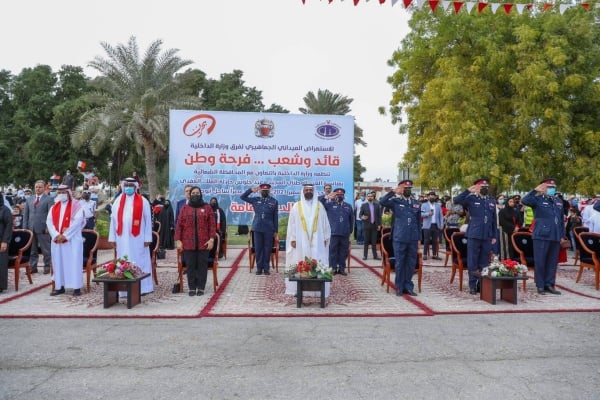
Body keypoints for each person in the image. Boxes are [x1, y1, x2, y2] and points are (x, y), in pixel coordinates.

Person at [108, 177, 153, 295]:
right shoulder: (118, 201)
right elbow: (112, 220)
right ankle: (124, 289)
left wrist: (148, 238)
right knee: (123, 261)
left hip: (138, 238)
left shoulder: (143, 201)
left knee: (140, 261)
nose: (128, 188)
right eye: (126, 185)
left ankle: (143, 288)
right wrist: (112, 238)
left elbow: (148, 220)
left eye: (131, 185)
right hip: (121, 238)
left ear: (136, 187)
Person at [521, 178, 566, 295]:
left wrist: (562, 235)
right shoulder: (537, 199)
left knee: (552, 262)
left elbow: (561, 220)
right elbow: (524, 200)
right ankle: (540, 285)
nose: (551, 189)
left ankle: (549, 284)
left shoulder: (558, 201)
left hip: (555, 235)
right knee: (540, 261)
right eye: (549, 187)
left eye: (553, 187)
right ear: (543, 188)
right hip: (541, 235)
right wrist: (535, 190)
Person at [454, 178, 497, 295]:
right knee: (473, 261)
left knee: (484, 262)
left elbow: (494, 220)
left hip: (487, 235)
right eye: (482, 187)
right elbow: (456, 200)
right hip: (474, 233)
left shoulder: (491, 200)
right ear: (477, 188)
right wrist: (468, 191)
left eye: (486, 187)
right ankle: (472, 285)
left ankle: (481, 284)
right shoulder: (471, 199)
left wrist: (494, 235)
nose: (485, 189)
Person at [285, 184, 331, 295]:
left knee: (318, 260)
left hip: (317, 241)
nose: (308, 191)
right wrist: (293, 238)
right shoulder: (297, 206)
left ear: (314, 192)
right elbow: (292, 224)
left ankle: (318, 291)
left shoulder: (320, 206)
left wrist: (325, 237)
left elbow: (325, 223)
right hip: (301, 241)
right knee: (299, 261)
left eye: (311, 190)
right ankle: (297, 289)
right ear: (303, 191)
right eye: (306, 190)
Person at [379, 180, 421, 296]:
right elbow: (382, 202)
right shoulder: (395, 201)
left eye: (409, 188)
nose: (407, 190)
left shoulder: (416, 203)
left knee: (410, 263)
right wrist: (393, 192)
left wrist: (418, 239)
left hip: (412, 237)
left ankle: (408, 286)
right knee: (400, 262)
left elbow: (418, 222)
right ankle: (399, 286)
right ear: (401, 190)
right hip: (400, 237)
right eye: (405, 188)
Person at [175, 187, 216, 296]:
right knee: (190, 265)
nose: (195, 195)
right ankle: (192, 288)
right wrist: (178, 240)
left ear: (201, 194)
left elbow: (212, 225)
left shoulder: (207, 208)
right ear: (190, 195)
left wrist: (211, 239)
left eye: (197, 193)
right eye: (193, 193)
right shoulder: (185, 208)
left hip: (204, 243)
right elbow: (179, 225)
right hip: (188, 243)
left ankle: (201, 288)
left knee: (202, 266)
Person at [46, 185, 85, 296]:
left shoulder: (77, 206)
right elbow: (49, 222)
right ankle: (59, 287)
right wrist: (56, 235)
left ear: (68, 193)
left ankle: (76, 287)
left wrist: (66, 235)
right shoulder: (54, 207)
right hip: (57, 241)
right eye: (59, 192)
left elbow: (77, 222)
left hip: (72, 240)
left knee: (74, 262)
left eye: (64, 192)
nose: (61, 194)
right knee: (58, 263)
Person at [241, 183, 279, 275]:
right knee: (258, 248)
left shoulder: (274, 201)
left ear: (269, 191)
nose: (264, 192)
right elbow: (242, 197)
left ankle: (266, 268)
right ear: (260, 191)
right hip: (257, 228)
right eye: (263, 190)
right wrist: (251, 190)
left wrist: (276, 231)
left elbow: (275, 217)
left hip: (269, 229)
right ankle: (259, 268)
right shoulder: (255, 200)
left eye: (266, 191)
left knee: (267, 249)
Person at [320, 188, 354, 275]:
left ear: (344, 196)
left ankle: (342, 268)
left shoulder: (348, 206)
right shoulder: (329, 205)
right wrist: (326, 197)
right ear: (335, 196)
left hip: (344, 233)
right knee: (332, 252)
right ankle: (333, 269)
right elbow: (319, 203)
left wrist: (350, 231)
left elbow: (351, 220)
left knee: (343, 252)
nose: (340, 196)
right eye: (338, 195)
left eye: (341, 195)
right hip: (333, 232)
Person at [23, 180, 53, 274]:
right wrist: (25, 228)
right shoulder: (29, 199)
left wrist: (49, 227)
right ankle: (33, 267)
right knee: (32, 250)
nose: (38, 189)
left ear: (44, 188)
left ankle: (47, 267)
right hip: (31, 228)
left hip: (43, 228)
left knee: (46, 249)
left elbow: (51, 214)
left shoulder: (49, 199)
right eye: (36, 187)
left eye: (40, 187)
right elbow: (26, 215)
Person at [359, 191, 381, 261]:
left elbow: (379, 216)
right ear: (367, 197)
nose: (370, 197)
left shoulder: (377, 205)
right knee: (366, 242)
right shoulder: (364, 205)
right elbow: (360, 215)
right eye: (368, 196)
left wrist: (379, 225)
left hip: (374, 226)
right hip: (366, 226)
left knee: (374, 242)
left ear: (373, 197)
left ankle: (375, 256)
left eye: (371, 196)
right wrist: (362, 217)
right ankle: (365, 256)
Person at [421, 191, 443, 260]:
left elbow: (441, 216)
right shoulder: (424, 205)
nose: (432, 197)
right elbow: (421, 214)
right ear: (428, 197)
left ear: (435, 197)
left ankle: (434, 255)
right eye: (430, 196)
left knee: (435, 241)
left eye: (433, 196)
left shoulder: (438, 205)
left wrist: (441, 224)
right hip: (427, 225)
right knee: (426, 240)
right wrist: (428, 214)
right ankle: (424, 254)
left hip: (436, 225)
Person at [0, 193, 12, 294]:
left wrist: (5, 241)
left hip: (2, 241)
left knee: (1, 263)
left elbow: (9, 226)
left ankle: (1, 286)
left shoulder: (5, 210)